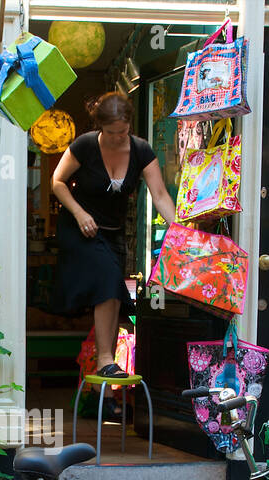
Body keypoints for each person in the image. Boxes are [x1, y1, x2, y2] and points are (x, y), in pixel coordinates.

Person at [52, 91, 177, 379]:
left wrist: (180, 231)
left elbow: (159, 194)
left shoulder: (142, 151)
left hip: (113, 233)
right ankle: (105, 359)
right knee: (108, 280)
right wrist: (79, 213)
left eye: (124, 132)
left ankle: (101, 383)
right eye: (111, 132)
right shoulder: (84, 146)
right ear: (99, 127)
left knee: (112, 297)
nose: (118, 138)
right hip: (78, 229)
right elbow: (57, 181)